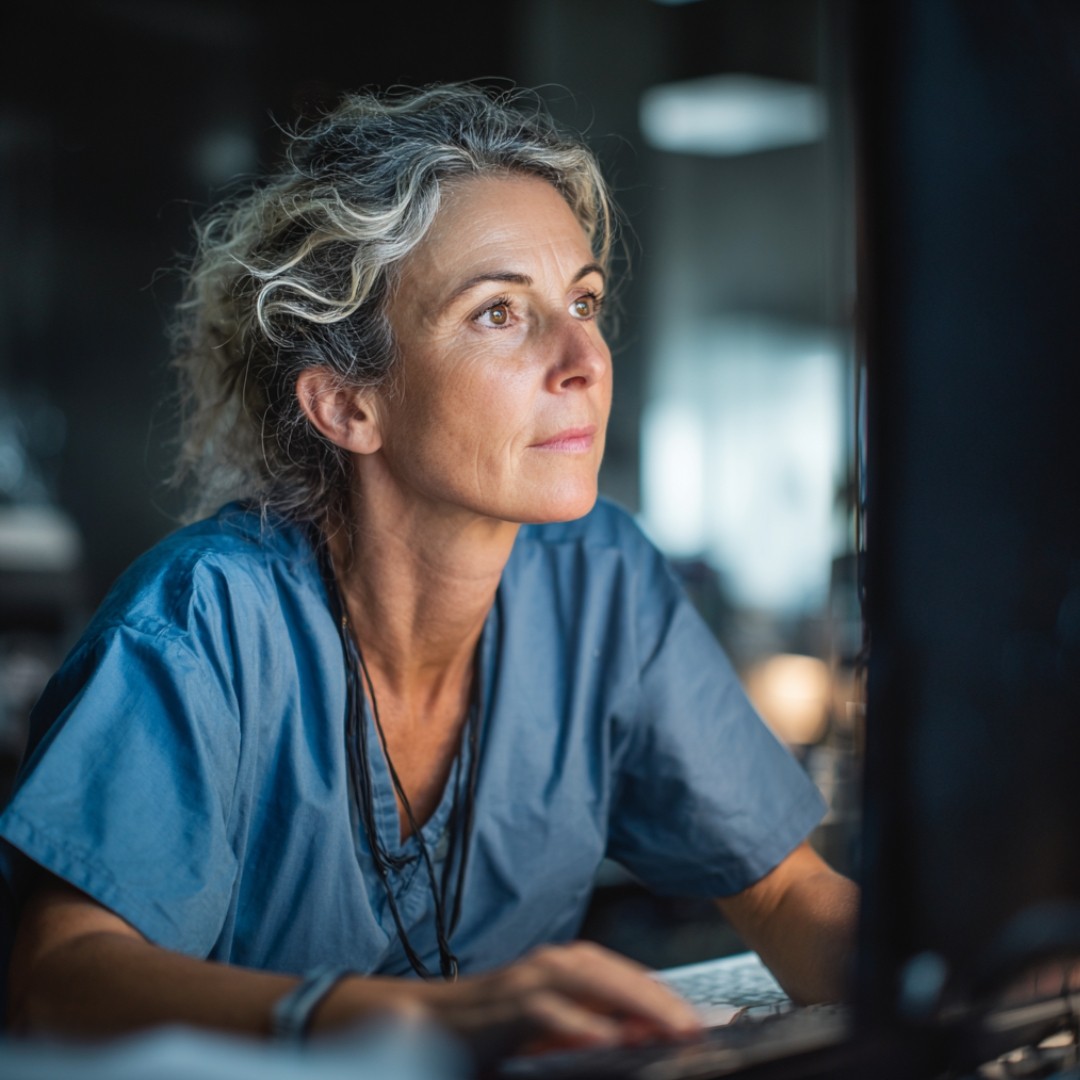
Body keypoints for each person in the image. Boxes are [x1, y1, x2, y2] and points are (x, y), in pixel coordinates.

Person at [0, 83, 857, 1060]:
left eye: (583, 301)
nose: (585, 357)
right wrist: (406, 1023)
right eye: (499, 312)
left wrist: (1018, 977)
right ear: (347, 406)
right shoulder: (202, 624)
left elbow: (788, 891)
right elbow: (58, 980)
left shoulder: (601, 581)